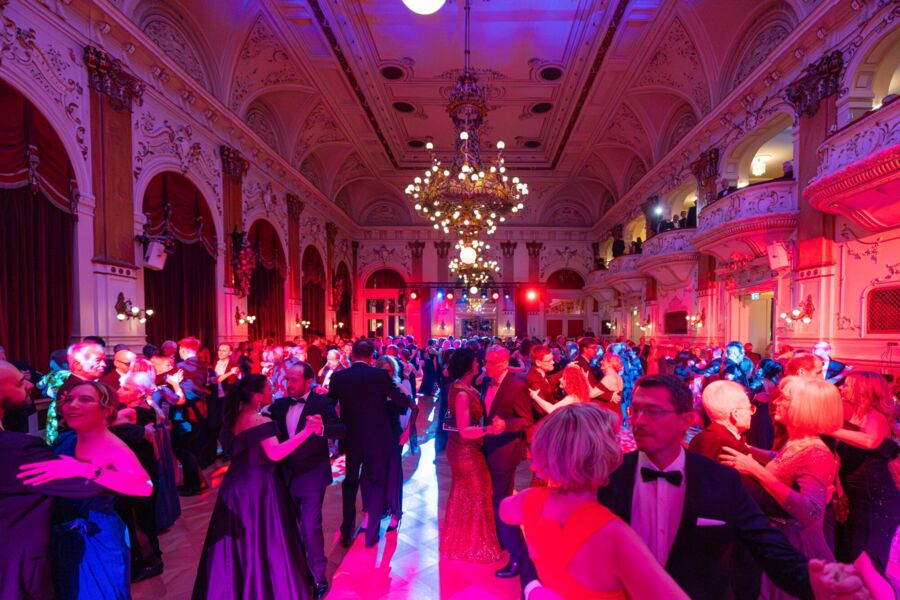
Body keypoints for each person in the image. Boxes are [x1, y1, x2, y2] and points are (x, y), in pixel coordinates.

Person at [598, 375, 816, 600]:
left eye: (653, 412)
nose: (639, 421)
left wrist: (819, 581)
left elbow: (767, 545)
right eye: (635, 411)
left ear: (686, 420)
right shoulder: (608, 477)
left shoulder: (721, 480)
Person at [503, 403, 689, 599]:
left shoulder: (529, 500)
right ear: (606, 454)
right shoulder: (614, 535)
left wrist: (533, 589)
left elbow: (505, 511)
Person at [192, 374, 317, 600]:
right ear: (258, 396)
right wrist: (306, 432)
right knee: (265, 540)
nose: (273, 390)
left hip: (234, 488)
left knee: (238, 544)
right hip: (259, 488)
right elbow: (275, 453)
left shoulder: (233, 418)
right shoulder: (261, 421)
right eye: (269, 388)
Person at [720, 377, 840, 599]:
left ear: (804, 407)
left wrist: (756, 470)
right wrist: (748, 449)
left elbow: (811, 512)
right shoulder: (797, 442)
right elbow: (784, 462)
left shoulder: (817, 452)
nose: (776, 402)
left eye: (784, 398)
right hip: (778, 536)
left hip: (796, 546)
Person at [0, 360, 112, 600]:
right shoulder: (19, 450)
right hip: (15, 572)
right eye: (20, 383)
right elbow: (96, 484)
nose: (30, 385)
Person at [35, 381, 153, 598]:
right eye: (69, 399)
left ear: (106, 410)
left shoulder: (113, 447)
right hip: (64, 534)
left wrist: (87, 470)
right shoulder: (66, 439)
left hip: (97, 536)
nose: (72, 405)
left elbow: (145, 487)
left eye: (85, 399)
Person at [266, 362, 345, 599]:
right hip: (284, 477)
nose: (288, 384)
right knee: (288, 527)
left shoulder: (321, 402)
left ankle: (318, 577)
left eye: (293, 380)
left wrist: (322, 429)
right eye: (287, 379)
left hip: (312, 475)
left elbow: (341, 429)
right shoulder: (280, 405)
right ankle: (294, 572)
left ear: (308, 382)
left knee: (310, 527)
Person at [327, 339, 410, 548]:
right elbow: (402, 403)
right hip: (376, 439)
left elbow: (329, 406)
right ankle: (371, 533)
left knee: (350, 483)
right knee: (375, 482)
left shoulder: (339, 377)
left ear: (352, 355)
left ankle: (347, 531)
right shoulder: (380, 376)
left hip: (351, 438)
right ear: (372, 356)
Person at [829, 372, 900, 571]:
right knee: (851, 559)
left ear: (863, 391)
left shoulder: (875, 416)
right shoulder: (856, 415)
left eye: (847, 385)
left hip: (876, 501)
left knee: (866, 564)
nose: (841, 388)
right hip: (859, 499)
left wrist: (826, 428)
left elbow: (870, 441)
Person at [440, 348, 506, 562]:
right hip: (464, 450)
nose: (480, 364)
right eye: (477, 362)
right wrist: (490, 429)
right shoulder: (461, 393)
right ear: (469, 367)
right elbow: (464, 430)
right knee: (478, 492)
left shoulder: (463, 385)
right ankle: (475, 546)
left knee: (466, 492)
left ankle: (462, 541)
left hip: (465, 448)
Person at [482, 345, 536, 582]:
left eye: (491, 363)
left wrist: (506, 425)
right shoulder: (487, 382)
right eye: (486, 361)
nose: (486, 366)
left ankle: (517, 555)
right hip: (489, 448)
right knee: (494, 498)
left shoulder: (516, 386)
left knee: (502, 502)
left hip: (505, 452)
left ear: (504, 363)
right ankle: (502, 542)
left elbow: (526, 419)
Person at [374, 355, 418, 534]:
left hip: (394, 435)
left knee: (394, 474)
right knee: (378, 474)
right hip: (376, 436)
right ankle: (382, 508)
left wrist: (407, 432)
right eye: (383, 371)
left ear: (394, 371)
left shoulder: (398, 387)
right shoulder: (373, 389)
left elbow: (414, 408)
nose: (387, 374)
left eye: (390, 371)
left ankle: (396, 512)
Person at [172, 337, 207, 496]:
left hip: (185, 412)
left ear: (183, 350)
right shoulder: (202, 364)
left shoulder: (181, 366)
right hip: (199, 410)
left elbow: (165, 381)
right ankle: (198, 482)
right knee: (189, 449)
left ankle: (194, 485)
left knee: (183, 449)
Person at [206, 342, 239, 466]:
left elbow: (235, 383)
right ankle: (213, 453)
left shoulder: (234, 365)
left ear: (230, 353)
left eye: (224, 350)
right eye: (220, 350)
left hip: (227, 399)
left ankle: (227, 451)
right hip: (215, 399)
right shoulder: (213, 365)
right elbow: (213, 381)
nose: (221, 352)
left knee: (226, 425)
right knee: (214, 425)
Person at [749, 358, 781, 449]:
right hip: (770, 416)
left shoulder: (759, 383)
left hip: (759, 416)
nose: (756, 368)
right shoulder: (776, 383)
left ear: (761, 369)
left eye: (757, 366)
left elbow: (748, 396)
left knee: (758, 442)